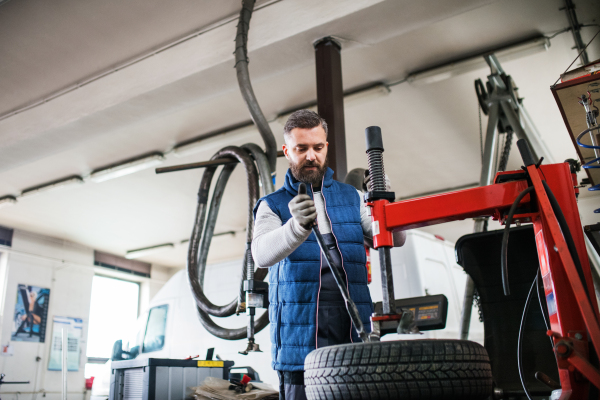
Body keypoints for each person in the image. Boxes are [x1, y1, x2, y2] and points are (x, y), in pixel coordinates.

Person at [251, 109, 405, 400]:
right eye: (301, 148)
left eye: (317, 147)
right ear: (287, 151)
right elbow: (261, 255)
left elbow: (394, 238)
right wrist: (296, 227)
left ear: (326, 147)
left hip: (354, 333)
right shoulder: (272, 205)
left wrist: (383, 201)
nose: (311, 155)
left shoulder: (351, 197)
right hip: (300, 342)